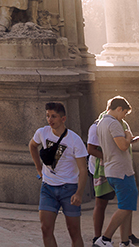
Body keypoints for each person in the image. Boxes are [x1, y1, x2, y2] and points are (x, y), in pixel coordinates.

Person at [86, 109, 139, 247]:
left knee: (126, 203)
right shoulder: (107, 124)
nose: (125, 116)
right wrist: (128, 137)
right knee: (120, 204)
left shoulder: (110, 123)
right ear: (118, 109)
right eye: (125, 112)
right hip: (111, 169)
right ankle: (103, 238)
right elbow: (121, 146)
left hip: (113, 168)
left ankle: (125, 240)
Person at [29, 101, 88, 247]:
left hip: (69, 188)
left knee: (74, 232)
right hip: (48, 187)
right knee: (45, 229)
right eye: (48, 116)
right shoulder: (42, 132)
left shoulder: (74, 140)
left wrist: (79, 193)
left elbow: (83, 170)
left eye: (54, 116)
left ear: (63, 119)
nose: (50, 120)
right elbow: (32, 145)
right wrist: (38, 168)